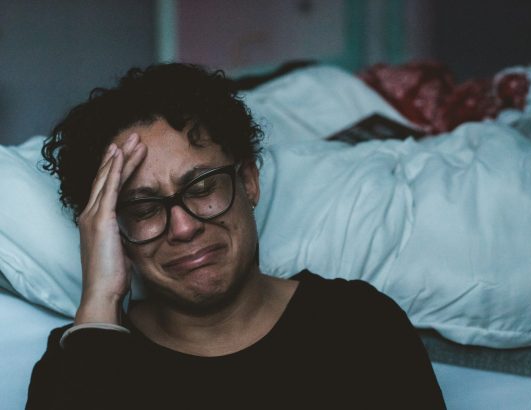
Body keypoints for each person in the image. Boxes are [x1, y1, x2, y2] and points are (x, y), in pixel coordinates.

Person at [26, 63, 446, 409]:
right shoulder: (78, 359)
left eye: (203, 187)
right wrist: (100, 301)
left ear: (248, 181)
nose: (185, 227)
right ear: (112, 230)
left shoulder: (359, 325)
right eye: (144, 209)